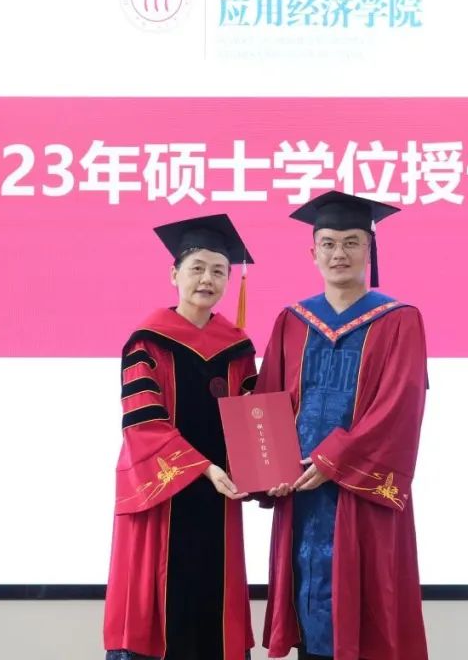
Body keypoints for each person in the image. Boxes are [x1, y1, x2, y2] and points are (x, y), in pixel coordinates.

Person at [257, 191, 429, 660]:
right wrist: (268, 470)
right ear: (312, 253)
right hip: (301, 492)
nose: (339, 253)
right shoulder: (292, 321)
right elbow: (267, 400)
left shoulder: (399, 320)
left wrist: (334, 461)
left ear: (369, 250)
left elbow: (401, 406)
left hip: (361, 492)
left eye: (352, 242)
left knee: (367, 616)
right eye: (328, 243)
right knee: (308, 610)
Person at [104, 214, 258, 660]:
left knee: (214, 604)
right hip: (164, 494)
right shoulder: (147, 342)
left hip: (220, 496)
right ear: (174, 275)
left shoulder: (237, 348)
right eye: (197, 268)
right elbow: (143, 423)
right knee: (158, 605)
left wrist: (267, 470)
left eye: (218, 271)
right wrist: (204, 468)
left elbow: (253, 417)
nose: (207, 279)